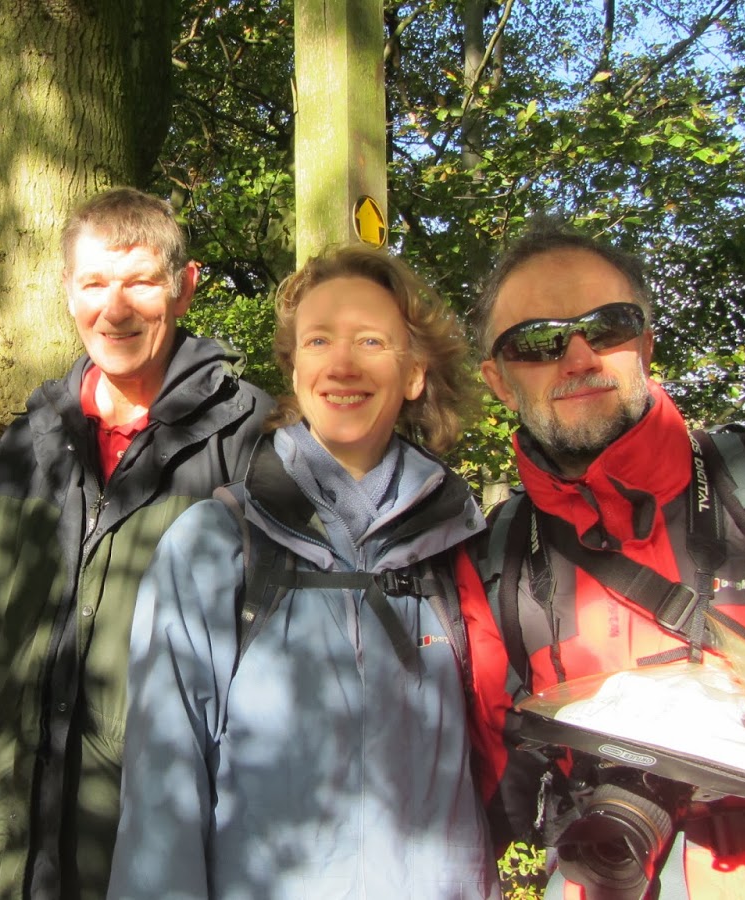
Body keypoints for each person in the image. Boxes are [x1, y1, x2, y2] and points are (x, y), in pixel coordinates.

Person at [465, 221, 745, 898]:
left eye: (608, 327)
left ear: (645, 345)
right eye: (537, 342)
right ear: (499, 381)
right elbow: (490, 786)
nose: (579, 357)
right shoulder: (495, 561)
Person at [106, 244, 501, 899]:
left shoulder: (461, 548)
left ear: (414, 374)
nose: (342, 363)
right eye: (319, 340)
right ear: (295, 370)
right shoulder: (214, 546)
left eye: (371, 340)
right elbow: (160, 795)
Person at [0, 187, 272, 900]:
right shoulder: (27, 444)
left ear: (184, 287)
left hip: (151, 856)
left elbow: (275, 666)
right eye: (94, 283)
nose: (115, 309)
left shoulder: (250, 440)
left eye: (140, 282)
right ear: (67, 291)